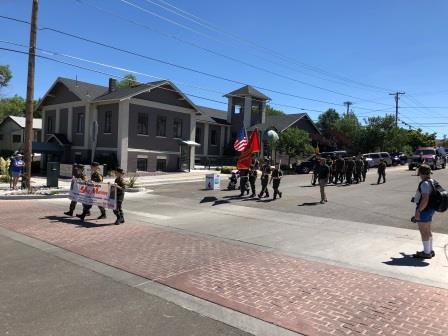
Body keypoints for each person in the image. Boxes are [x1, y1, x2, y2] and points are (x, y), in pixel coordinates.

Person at [412, 164, 435, 259]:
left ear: (421, 173)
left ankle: (426, 253)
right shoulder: (432, 181)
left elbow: (425, 199)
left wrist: (418, 211)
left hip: (424, 210)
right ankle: (430, 250)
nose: (419, 175)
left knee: (424, 232)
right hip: (430, 209)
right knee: (428, 231)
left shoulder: (424, 183)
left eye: (419, 173)